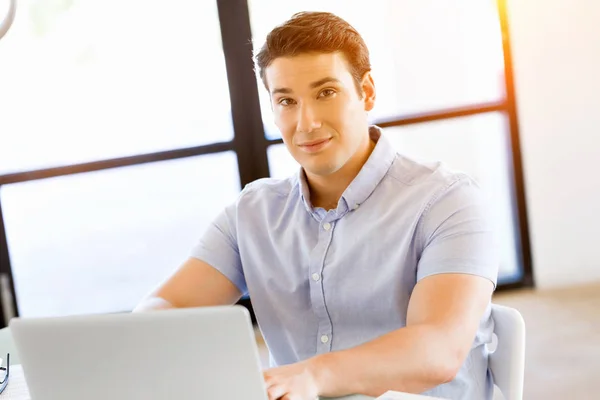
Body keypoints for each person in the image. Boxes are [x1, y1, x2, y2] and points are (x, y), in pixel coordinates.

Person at [134, 11, 498, 400]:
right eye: (287, 101)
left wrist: (313, 376)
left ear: (367, 91)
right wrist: (148, 333)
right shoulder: (253, 213)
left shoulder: (448, 201)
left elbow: (437, 351)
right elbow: (169, 304)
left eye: (326, 93)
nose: (305, 123)